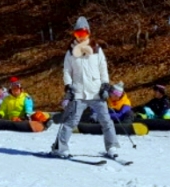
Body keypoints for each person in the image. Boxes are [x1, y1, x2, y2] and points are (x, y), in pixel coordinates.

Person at [51, 16, 120, 158]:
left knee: (106, 120)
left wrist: (105, 85)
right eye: (78, 34)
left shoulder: (96, 49)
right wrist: (68, 86)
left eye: (83, 33)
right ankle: (61, 147)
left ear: (88, 33)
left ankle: (111, 146)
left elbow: (103, 67)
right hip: (79, 92)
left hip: (96, 91)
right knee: (72, 121)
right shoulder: (70, 52)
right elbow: (66, 71)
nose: (81, 37)